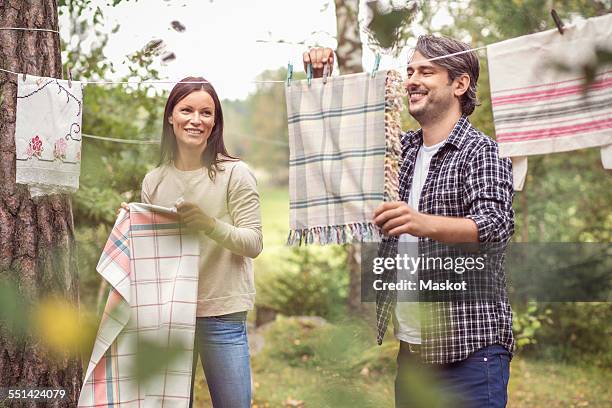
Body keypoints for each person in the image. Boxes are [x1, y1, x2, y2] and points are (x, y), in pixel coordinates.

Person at [304, 35, 514, 408]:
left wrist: (420, 223)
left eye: (426, 71)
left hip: (472, 352)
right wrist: (321, 80)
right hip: (414, 351)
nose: (412, 80)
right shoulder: (400, 151)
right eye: (410, 70)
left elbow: (496, 225)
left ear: (460, 84)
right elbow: (338, 157)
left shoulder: (484, 151)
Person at [120, 77, 262, 407]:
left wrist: (209, 225)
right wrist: (131, 223)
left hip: (222, 315)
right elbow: (149, 256)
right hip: (169, 316)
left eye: (206, 113)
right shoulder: (154, 181)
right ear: (171, 116)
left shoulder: (235, 174)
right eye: (186, 110)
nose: (196, 120)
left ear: (215, 123)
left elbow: (253, 242)